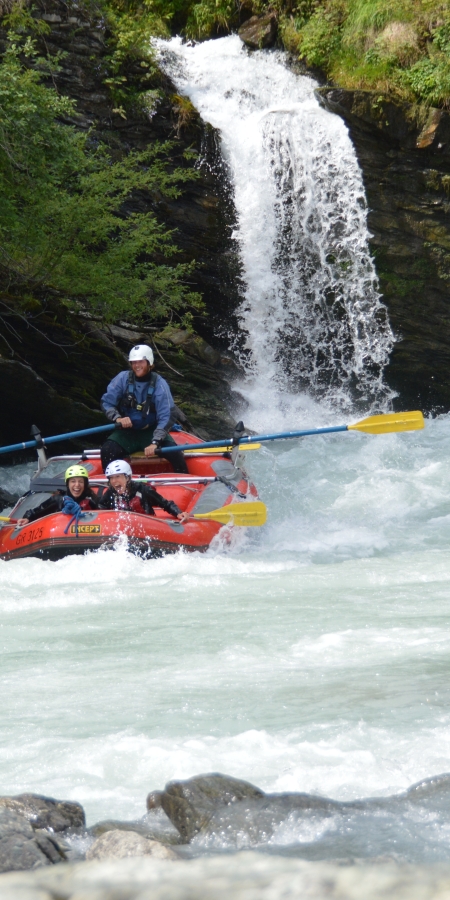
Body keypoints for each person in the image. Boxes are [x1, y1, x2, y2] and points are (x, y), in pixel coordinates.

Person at [100, 345, 188, 474]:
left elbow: (167, 415)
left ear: (149, 363)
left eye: (140, 362)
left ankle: (184, 482)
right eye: (134, 362)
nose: (137, 366)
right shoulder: (122, 378)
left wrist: (155, 442)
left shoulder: (160, 384)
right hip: (127, 432)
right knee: (108, 450)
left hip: (151, 431)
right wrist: (117, 418)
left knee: (175, 454)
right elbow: (107, 402)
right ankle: (111, 485)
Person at [101, 459, 189, 522]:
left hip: (146, 526)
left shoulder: (144, 490)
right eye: (111, 478)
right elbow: (101, 508)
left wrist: (178, 513)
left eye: (117, 477)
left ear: (128, 477)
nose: (113, 481)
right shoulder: (111, 493)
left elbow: (165, 504)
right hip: (123, 528)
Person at [16, 465, 100, 526]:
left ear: (85, 484)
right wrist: (27, 517)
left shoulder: (91, 500)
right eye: (73, 481)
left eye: (80, 482)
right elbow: (37, 511)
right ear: (68, 484)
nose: (77, 485)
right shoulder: (58, 500)